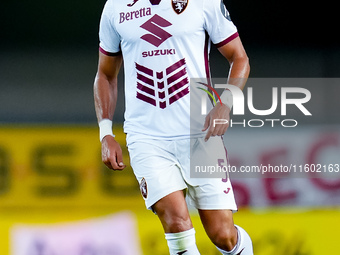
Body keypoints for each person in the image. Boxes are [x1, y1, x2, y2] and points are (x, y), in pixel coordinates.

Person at [93, 0, 253, 254]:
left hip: (200, 134)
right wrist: (106, 133)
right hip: (147, 138)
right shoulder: (116, 7)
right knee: (177, 224)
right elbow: (105, 74)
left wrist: (226, 103)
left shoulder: (204, 2)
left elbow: (239, 57)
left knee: (223, 236)